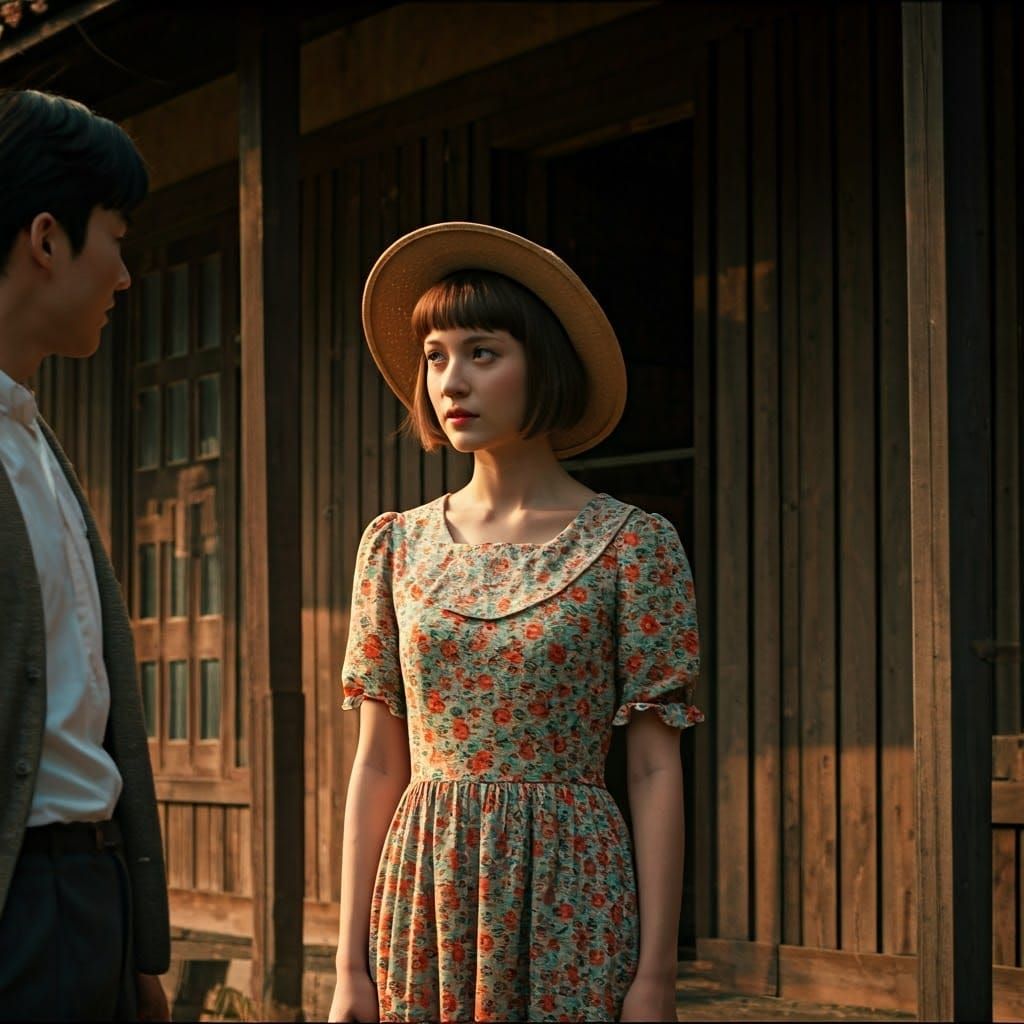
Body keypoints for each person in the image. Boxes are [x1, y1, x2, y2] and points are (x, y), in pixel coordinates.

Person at [329, 222, 703, 1024]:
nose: (451, 381)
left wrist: (657, 976)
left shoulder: (635, 546)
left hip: (574, 897)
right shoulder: (393, 546)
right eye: (435, 357)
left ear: (545, 365)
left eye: (482, 353)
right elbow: (378, 763)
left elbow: (653, 769)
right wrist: (347, 966)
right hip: (425, 898)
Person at [0, 90, 170, 1021]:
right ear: (46, 238)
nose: (125, 275)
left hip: (87, 899)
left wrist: (134, 945)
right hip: (21, 901)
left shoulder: (32, 439)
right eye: (116, 237)